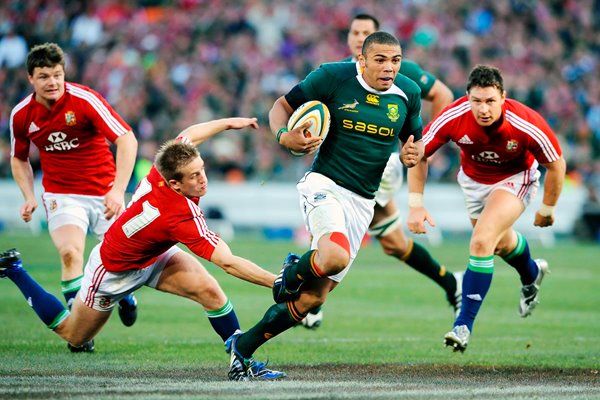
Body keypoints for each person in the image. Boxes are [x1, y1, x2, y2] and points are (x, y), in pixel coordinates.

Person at [0, 117, 286, 379]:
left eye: (202, 170)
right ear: (174, 184)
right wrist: (277, 282)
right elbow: (228, 262)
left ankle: (240, 360)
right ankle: (15, 271)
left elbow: (188, 135)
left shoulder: (167, 166)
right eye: (195, 176)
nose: (203, 179)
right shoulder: (179, 214)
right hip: (113, 271)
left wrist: (229, 123)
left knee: (210, 293)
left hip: (153, 254)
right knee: (74, 335)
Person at [223, 31, 423, 381]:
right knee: (334, 257)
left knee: (312, 300)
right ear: (361, 60)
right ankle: (289, 274)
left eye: (395, 60)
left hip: (363, 201)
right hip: (324, 185)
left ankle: (243, 348)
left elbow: (415, 147)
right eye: (380, 60)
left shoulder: (409, 92)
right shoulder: (332, 76)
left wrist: (411, 158)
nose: (389, 67)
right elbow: (280, 107)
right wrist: (285, 136)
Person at [301, 13, 460, 329]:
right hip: (346, 168)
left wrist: (419, 145)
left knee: (335, 233)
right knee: (394, 243)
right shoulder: (339, 76)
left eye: (367, 32)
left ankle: (310, 297)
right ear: (350, 41)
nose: (360, 37)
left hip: (381, 168)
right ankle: (452, 283)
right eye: (356, 32)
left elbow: (442, 95)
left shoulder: (400, 74)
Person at [406, 64, 566, 352]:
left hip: (516, 179)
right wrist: (415, 205)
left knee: (480, 241)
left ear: (503, 97)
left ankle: (463, 325)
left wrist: (548, 207)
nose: (483, 109)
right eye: (476, 101)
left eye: (490, 101)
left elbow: (556, 163)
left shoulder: (525, 122)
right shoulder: (454, 116)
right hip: (473, 182)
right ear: (467, 98)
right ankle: (531, 273)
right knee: (498, 244)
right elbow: (419, 154)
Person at [9, 42, 139, 341]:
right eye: (44, 76)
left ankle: (127, 297)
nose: (52, 82)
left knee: (124, 265)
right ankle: (82, 333)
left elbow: (126, 139)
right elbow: (19, 158)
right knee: (70, 253)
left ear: (64, 73)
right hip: (62, 194)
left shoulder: (84, 100)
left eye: (57, 74)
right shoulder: (21, 115)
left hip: (106, 192)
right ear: (31, 79)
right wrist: (29, 196)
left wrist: (119, 190)